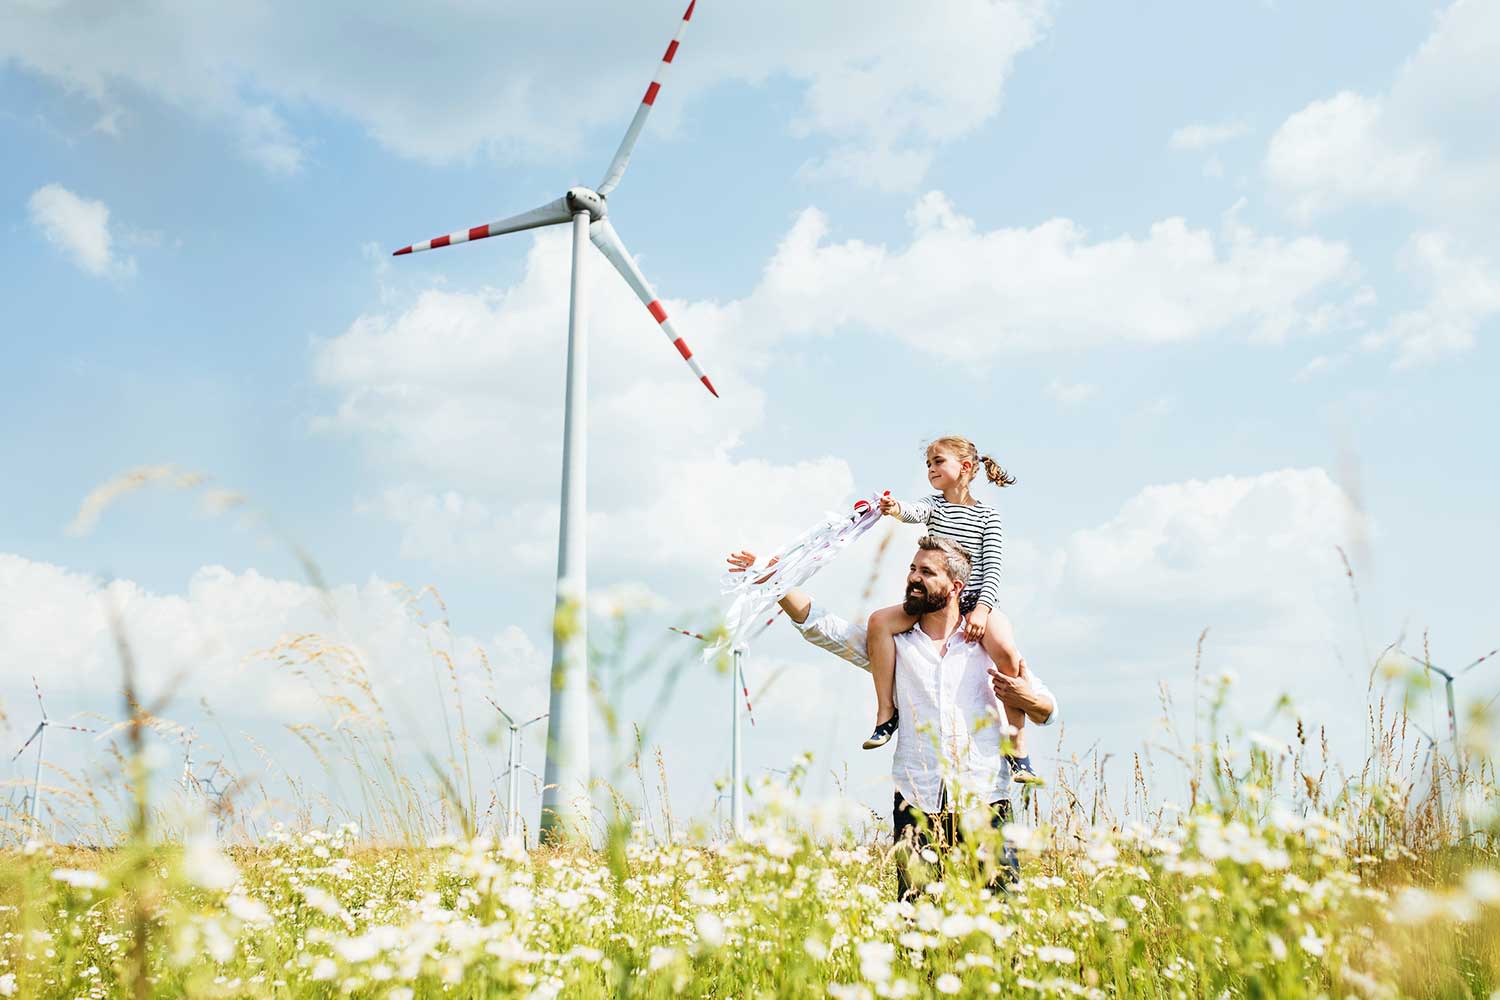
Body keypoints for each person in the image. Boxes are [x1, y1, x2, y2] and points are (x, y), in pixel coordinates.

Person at [726, 535, 1058, 895]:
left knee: (1001, 906)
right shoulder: (893, 645)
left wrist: (1028, 699)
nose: (914, 577)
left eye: (927, 572)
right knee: (916, 910)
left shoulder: (987, 645)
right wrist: (777, 581)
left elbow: (1046, 710)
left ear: (955, 587)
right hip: (917, 798)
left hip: (985, 795)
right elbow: (824, 628)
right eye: (912, 568)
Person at [864, 437, 1038, 784]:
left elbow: (993, 568)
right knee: (879, 622)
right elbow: (912, 512)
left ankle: (1017, 744)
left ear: (966, 467)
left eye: (938, 462)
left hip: (976, 600)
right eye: (928, 464)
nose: (931, 469)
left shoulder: (988, 516)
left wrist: (982, 610)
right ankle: (886, 711)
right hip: (936, 600)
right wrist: (893, 506)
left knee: (1006, 651)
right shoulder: (934, 506)